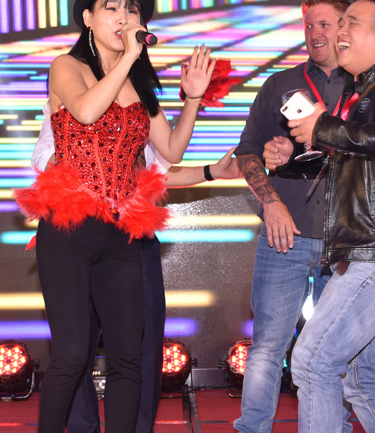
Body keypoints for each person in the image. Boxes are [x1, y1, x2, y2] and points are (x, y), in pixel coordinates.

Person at [13, 0, 214, 432]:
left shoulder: (138, 85)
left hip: (121, 231)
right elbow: (86, 111)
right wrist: (129, 58)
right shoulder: (66, 66)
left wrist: (193, 99)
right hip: (68, 227)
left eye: (132, 10)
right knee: (71, 354)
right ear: (88, 18)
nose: (124, 17)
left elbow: (171, 150)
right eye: (112, 8)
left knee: (128, 358)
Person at [271, 0, 375, 432]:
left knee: (312, 363)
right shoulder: (362, 91)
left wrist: (324, 127)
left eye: (351, 23)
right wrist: (293, 156)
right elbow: (361, 163)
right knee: (360, 379)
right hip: (373, 249)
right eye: (340, 23)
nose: (340, 31)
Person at [31, 103, 239, 433]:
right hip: (75, 231)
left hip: (132, 235)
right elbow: (44, 156)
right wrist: (96, 162)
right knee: (73, 351)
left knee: (137, 350)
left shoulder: (140, 102)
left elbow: (160, 170)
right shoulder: (71, 94)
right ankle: (82, 427)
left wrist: (211, 170)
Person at [232, 0, 354, 433]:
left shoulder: (368, 86)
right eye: (308, 25)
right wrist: (271, 202)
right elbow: (246, 152)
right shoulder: (279, 85)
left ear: (345, 28)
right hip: (285, 235)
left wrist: (301, 150)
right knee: (267, 346)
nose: (314, 33)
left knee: (336, 351)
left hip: (347, 240)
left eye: (324, 24)